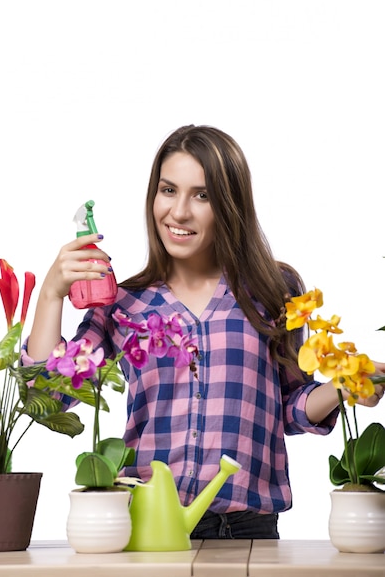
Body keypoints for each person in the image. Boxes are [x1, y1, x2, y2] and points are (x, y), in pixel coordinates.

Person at [25, 124, 385, 540]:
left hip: (248, 530)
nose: (179, 212)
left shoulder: (274, 290)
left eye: (203, 195)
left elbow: (288, 406)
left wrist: (344, 385)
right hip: (147, 528)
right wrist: (51, 295)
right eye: (168, 190)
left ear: (230, 204)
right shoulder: (124, 304)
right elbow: (48, 396)